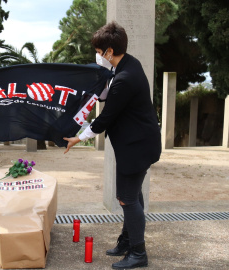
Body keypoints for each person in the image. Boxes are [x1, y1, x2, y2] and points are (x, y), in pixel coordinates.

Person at [63, 21, 161, 269]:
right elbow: (108, 92)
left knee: (127, 198)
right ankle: (128, 241)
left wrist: (79, 137)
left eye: (98, 51)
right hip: (138, 143)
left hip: (136, 147)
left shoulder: (125, 78)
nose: (97, 56)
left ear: (108, 51)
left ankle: (138, 253)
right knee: (133, 196)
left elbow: (106, 117)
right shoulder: (128, 64)